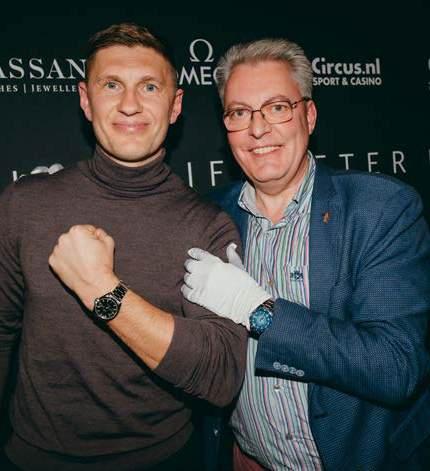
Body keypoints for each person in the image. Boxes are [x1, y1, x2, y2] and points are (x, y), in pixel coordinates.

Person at [0, 23, 247, 470]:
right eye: (111, 84)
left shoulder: (206, 225)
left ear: (175, 105)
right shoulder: (25, 204)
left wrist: (103, 290)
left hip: (163, 460)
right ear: (85, 99)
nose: (129, 104)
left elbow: (221, 375)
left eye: (149, 86)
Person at [181, 38, 430, 470]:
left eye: (277, 107)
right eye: (239, 113)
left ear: (309, 116)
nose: (258, 129)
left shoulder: (380, 209)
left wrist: (257, 311)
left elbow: (395, 367)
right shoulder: (209, 215)